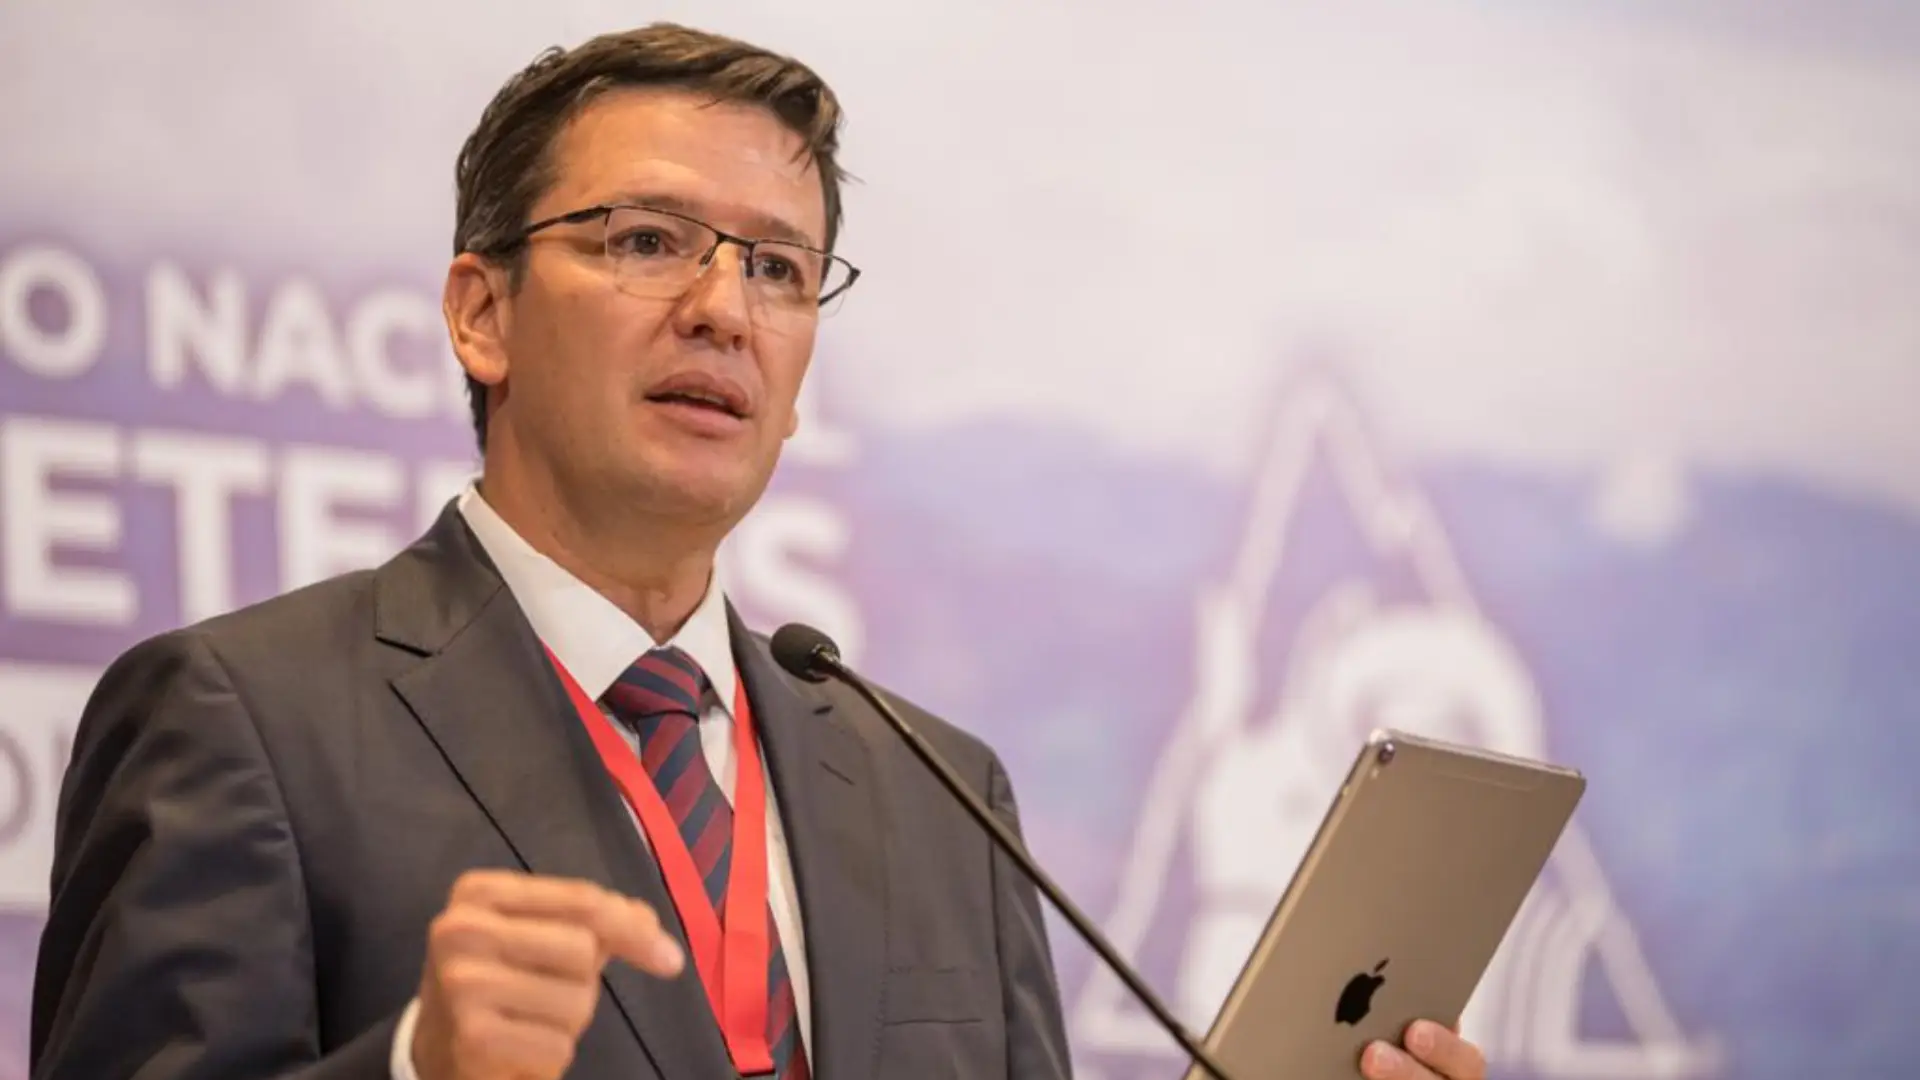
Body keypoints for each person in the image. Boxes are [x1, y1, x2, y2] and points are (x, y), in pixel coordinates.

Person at [27, 21, 1486, 1080]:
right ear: (482, 313)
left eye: (778, 268)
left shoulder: (939, 793)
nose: (725, 308)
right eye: (650, 239)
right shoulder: (243, 717)